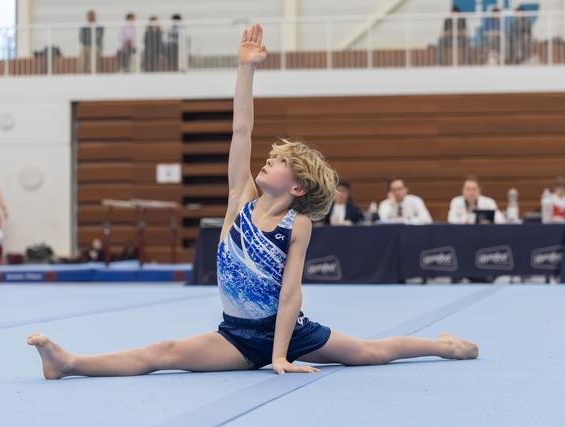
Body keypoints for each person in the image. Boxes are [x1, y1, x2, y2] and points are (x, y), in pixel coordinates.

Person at [28, 24, 478, 379]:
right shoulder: (240, 200)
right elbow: (241, 130)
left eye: (279, 160)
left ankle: (441, 344)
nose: (267, 159)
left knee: (369, 352)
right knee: (160, 353)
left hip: (288, 333)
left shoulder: (297, 224)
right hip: (238, 337)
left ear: (297, 188)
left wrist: (280, 356)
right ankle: (67, 363)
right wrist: (247, 69)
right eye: (272, 154)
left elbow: (289, 295)